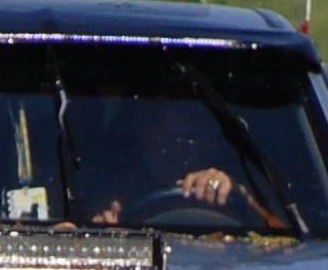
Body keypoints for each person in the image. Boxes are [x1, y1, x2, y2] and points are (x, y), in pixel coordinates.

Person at [81, 98, 286, 231]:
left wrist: (244, 200)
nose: (175, 151)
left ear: (212, 142)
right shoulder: (109, 193)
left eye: (189, 140)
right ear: (141, 137)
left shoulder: (244, 184)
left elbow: (293, 249)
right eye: (162, 138)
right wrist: (101, 234)